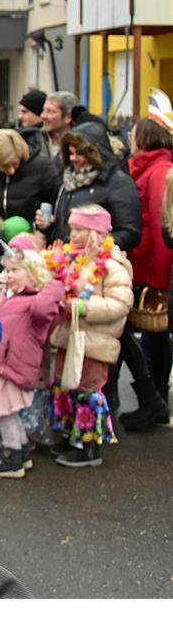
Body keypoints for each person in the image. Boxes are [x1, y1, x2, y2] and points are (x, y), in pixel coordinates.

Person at [43, 205, 132, 467]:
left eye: (80, 229)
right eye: (72, 228)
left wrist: (84, 307)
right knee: (65, 384)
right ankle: (67, 433)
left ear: (97, 233)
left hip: (93, 341)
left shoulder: (112, 266)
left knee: (87, 388)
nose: (73, 234)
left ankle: (88, 445)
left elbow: (120, 304)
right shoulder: (74, 259)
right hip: (68, 336)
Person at [0, 248, 65, 478]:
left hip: (11, 367)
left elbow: (44, 309)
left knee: (4, 412)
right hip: (2, 364)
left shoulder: (37, 303)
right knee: (8, 412)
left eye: (16, 270)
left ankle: (11, 456)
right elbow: (4, 326)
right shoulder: (10, 297)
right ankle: (21, 451)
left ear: (34, 274)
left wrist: (54, 282)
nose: (9, 275)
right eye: (8, 270)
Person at [119, 105, 173, 431]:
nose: (130, 137)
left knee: (154, 332)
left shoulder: (158, 172)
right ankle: (153, 400)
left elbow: (161, 227)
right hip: (142, 265)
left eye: (134, 133)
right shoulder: (146, 169)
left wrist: (157, 278)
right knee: (151, 334)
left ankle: (156, 398)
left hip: (151, 270)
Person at [34, 121, 142, 252]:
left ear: (95, 153)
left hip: (98, 260)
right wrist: (48, 225)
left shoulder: (118, 183)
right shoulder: (68, 181)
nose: (73, 158)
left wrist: (96, 245)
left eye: (80, 153)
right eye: (71, 153)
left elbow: (130, 233)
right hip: (67, 258)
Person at [0, 127, 62, 226]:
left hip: (31, 230)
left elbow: (58, 201)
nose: (11, 171)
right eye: (4, 166)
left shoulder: (42, 167)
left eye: (15, 164)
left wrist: (48, 219)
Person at [40, 91, 78, 160]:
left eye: (50, 111)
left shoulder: (79, 146)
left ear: (67, 117)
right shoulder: (35, 142)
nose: (43, 116)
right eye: (43, 110)